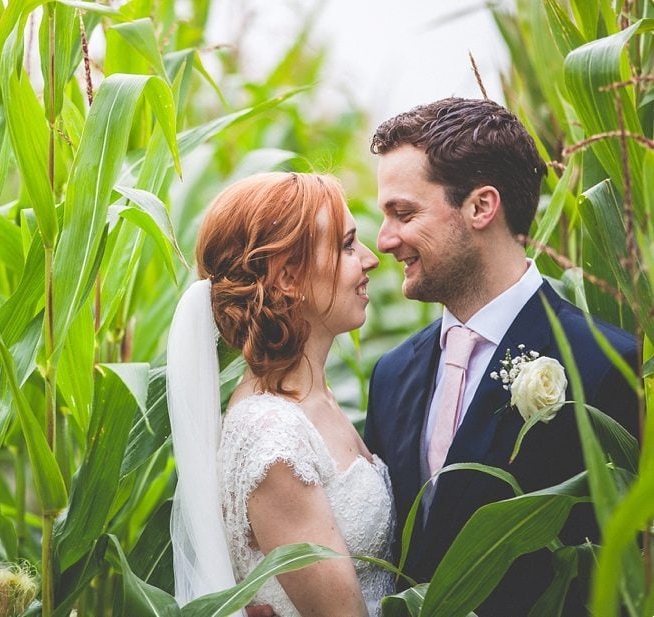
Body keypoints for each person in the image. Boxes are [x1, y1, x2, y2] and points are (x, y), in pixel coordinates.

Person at [363, 97, 639, 616]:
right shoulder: (392, 373)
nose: (385, 239)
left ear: (480, 207)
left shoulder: (604, 366)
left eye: (404, 213)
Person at [167, 172, 394, 617]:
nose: (370, 259)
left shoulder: (312, 400)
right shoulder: (272, 437)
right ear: (288, 278)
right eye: (348, 246)